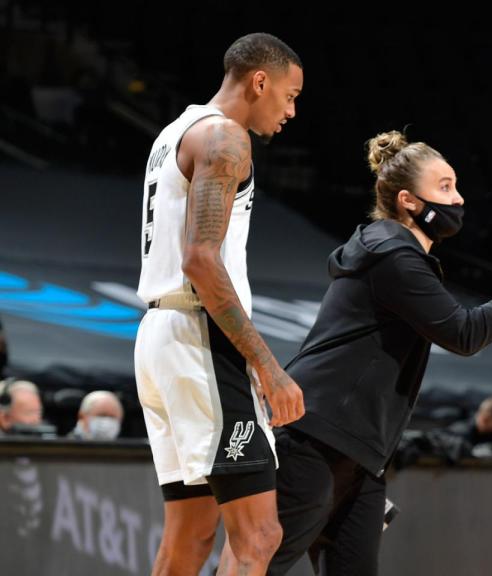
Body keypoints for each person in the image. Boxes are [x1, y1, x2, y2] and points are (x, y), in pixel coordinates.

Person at [261, 131, 492, 575]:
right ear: (408, 201)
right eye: (445, 187)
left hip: (359, 453)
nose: (458, 199)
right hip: (318, 439)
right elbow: (464, 333)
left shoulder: (390, 251)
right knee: (254, 566)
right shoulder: (393, 255)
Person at [134, 32, 306, 575]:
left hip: (159, 338)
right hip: (199, 337)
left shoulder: (174, 131)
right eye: (289, 94)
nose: (292, 110)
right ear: (260, 81)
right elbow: (202, 261)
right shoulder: (226, 137)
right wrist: (268, 365)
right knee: (259, 534)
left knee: (189, 536)